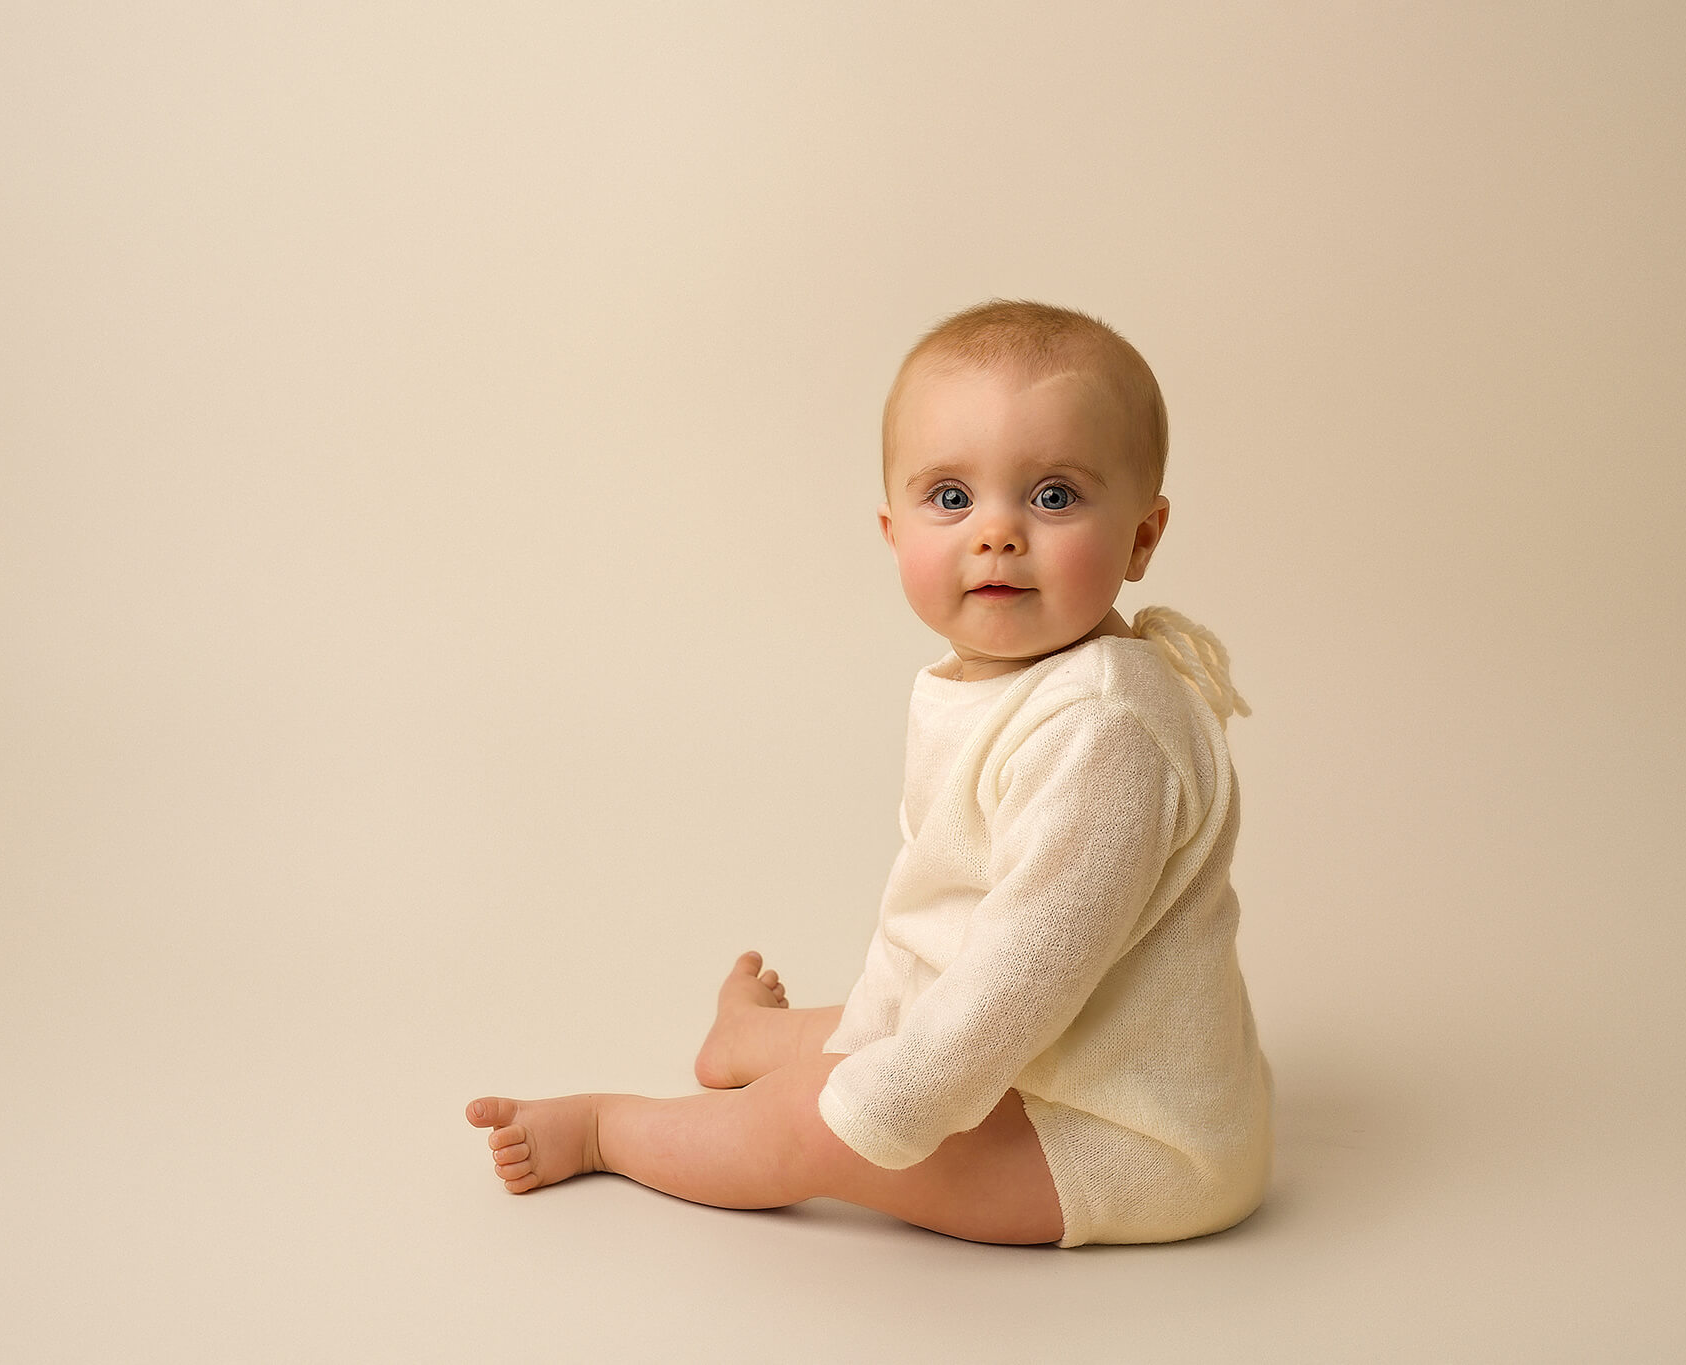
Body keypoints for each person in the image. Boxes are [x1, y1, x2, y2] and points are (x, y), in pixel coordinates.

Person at [466, 299, 1273, 1247]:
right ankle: (748, 1044)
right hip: (1038, 1065)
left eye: (1054, 496)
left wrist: (875, 1106)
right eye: (952, 497)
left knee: (808, 1116)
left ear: (1142, 536)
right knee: (858, 1029)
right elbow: (930, 918)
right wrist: (867, 1036)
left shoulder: (1103, 727)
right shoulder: (985, 685)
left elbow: (1025, 969)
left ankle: (610, 1129)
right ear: (894, 529)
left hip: (1126, 1140)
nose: (998, 532)